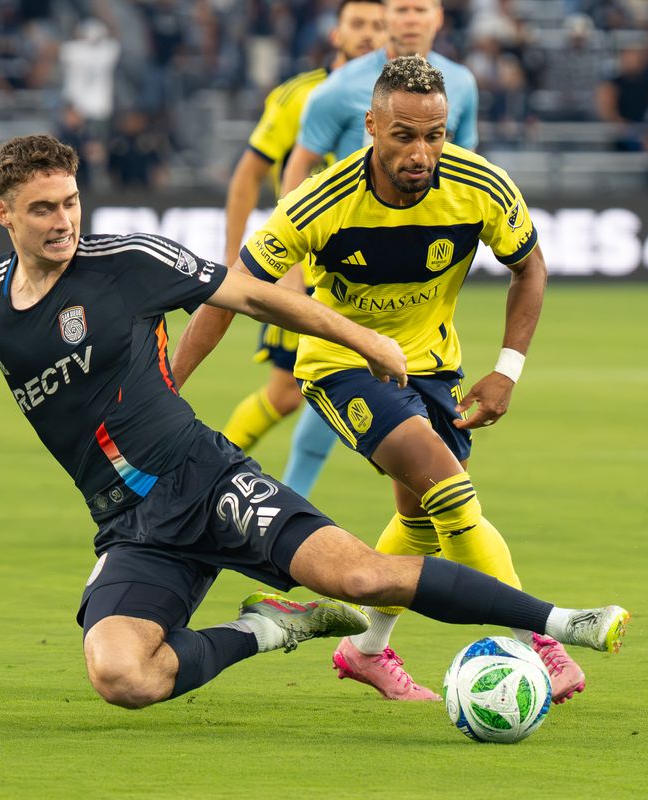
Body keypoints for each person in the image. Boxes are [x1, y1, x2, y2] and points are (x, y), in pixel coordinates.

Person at [0, 134, 631, 709]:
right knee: (121, 679)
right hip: (130, 528)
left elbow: (256, 294)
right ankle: (273, 628)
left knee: (366, 577)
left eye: (70, 202)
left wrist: (358, 333)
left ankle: (563, 623)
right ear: (4, 215)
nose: (64, 220)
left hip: (208, 479)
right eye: (43, 209)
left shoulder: (128, 262)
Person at [174, 57, 590, 705]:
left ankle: (364, 650)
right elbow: (233, 291)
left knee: (420, 518)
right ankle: (543, 638)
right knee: (446, 482)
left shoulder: (479, 186)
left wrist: (507, 370)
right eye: (404, 136)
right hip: (341, 369)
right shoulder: (323, 200)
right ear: (371, 126)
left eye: (435, 135)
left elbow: (529, 268)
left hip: (432, 367)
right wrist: (168, 385)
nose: (422, 152)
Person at [220, 0, 387, 496]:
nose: (368, 35)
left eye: (379, 26)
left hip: (357, 272)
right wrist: (236, 264)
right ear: (336, 33)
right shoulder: (302, 96)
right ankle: (201, 473)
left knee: (305, 393)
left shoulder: (390, 98)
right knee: (291, 393)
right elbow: (247, 177)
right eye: (357, 24)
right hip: (301, 263)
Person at [281, 0, 478, 198]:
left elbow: (467, 169)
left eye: (420, 10)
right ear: (384, 16)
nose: (411, 20)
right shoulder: (341, 85)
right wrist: (291, 227)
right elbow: (301, 164)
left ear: (438, 17)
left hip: (433, 225)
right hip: (359, 224)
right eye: (402, 10)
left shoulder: (462, 83)